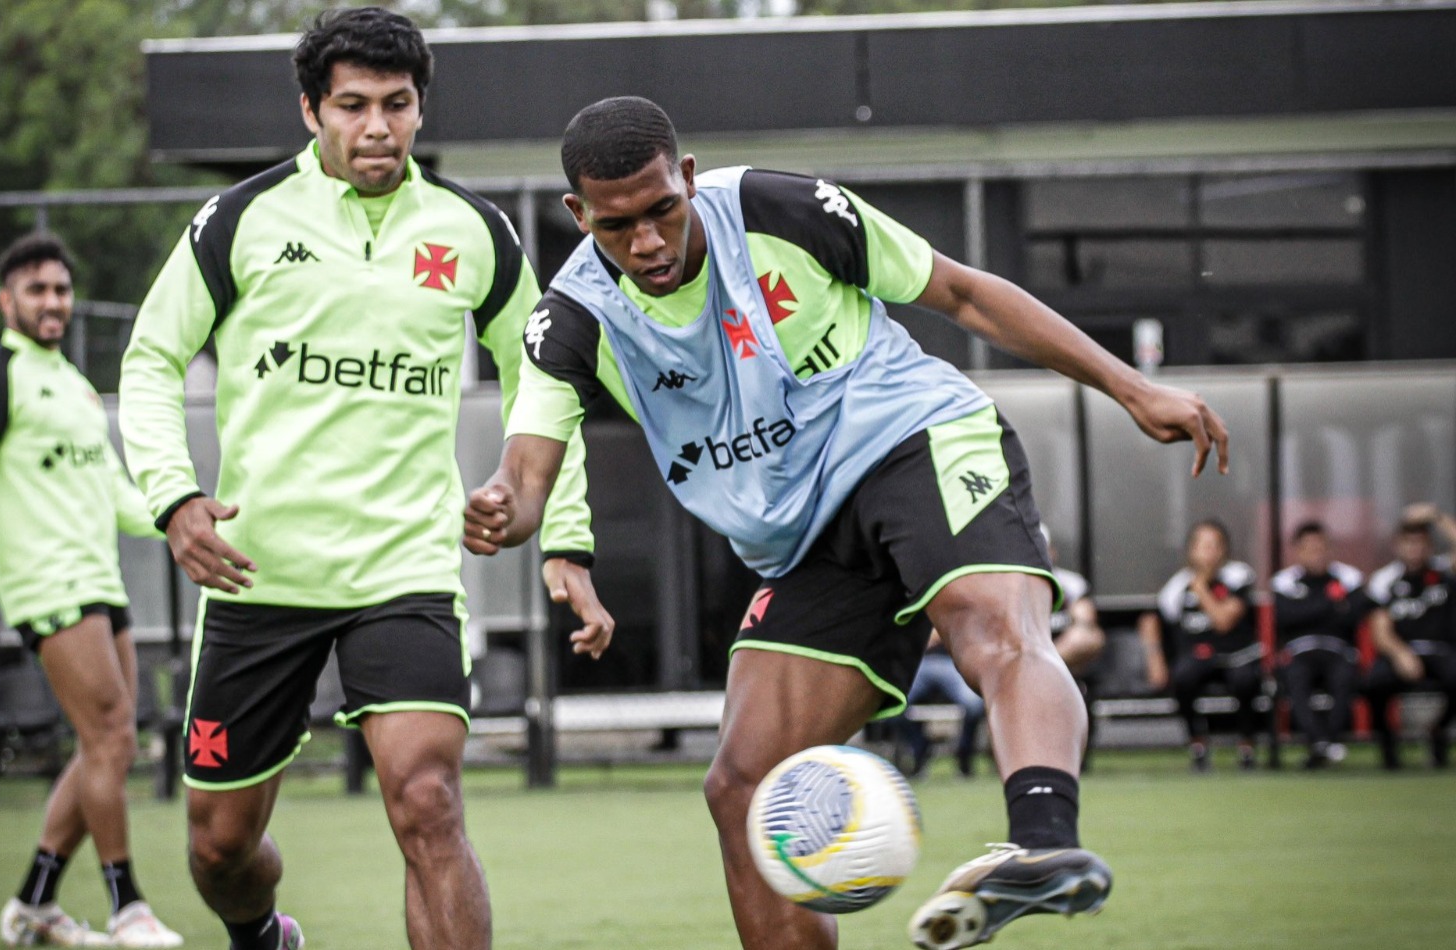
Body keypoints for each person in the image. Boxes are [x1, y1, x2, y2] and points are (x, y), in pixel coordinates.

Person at [464, 97, 1231, 950]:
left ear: (686, 178)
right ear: (578, 215)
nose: (646, 242)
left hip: (910, 441)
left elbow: (964, 293)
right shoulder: (569, 319)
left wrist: (1133, 386)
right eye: (616, 227)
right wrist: (504, 506)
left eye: (661, 212)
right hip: (801, 542)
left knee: (993, 633)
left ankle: (1044, 847)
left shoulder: (777, 209)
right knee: (741, 787)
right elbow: (526, 472)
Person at [118, 11, 607, 950]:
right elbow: (149, 359)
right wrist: (175, 500)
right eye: (352, 106)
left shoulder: (473, 231)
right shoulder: (242, 219)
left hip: (406, 571)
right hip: (261, 575)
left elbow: (547, 380)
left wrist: (557, 525)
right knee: (219, 850)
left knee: (427, 802)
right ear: (311, 111)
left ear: (421, 108)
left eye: (397, 104)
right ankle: (261, 932)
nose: (377, 127)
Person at [0, 234, 182, 948]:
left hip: (101, 583)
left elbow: (119, 496)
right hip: (47, 588)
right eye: (37, 290)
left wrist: (187, 517)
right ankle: (128, 909)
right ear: (8, 302)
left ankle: (34, 903)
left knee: (107, 745)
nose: (53, 302)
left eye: (61, 289)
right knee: (111, 735)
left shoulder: (78, 386)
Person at [1138, 520, 1263, 772]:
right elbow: (1150, 620)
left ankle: (1246, 744)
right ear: (1191, 551)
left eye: (1216, 545)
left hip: (1237, 655)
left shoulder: (1238, 576)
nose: (1210, 552)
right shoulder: (1177, 585)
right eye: (1204, 546)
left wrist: (1200, 588)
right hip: (1197, 655)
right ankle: (1197, 743)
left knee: (1245, 680)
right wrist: (1155, 660)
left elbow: (1224, 621)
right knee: (1183, 677)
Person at [1362, 508, 1456, 769]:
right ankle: (1388, 745)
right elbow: (1380, 629)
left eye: (1421, 542)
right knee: (1373, 683)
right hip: (1400, 650)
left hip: (1440, 650)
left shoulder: (1442, 571)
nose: (1415, 548)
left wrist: (1436, 516)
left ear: (1429, 545)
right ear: (1398, 545)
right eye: (1409, 542)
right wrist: (1400, 654)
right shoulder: (1385, 579)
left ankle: (1439, 730)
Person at [1270, 521, 1367, 768]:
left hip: (1338, 650)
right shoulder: (1284, 581)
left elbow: (1354, 616)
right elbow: (1286, 617)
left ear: (1330, 548)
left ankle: (1329, 740)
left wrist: (1310, 609)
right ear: (1298, 551)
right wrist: (1331, 602)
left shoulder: (1349, 577)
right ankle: (1319, 742)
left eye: (1321, 547)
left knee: (1345, 676)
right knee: (1295, 676)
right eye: (1309, 548)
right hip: (1300, 650)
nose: (1316, 553)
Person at [1045, 528, 1105, 769]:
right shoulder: (1010, 585)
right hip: (1022, 663)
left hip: (1064, 663)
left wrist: (1048, 659)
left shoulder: (1070, 584)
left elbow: (1087, 627)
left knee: (1088, 637)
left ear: (1052, 552)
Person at [895, 633, 985, 779]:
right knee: (892, 704)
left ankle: (964, 752)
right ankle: (920, 747)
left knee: (974, 703)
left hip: (951, 661)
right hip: (918, 662)